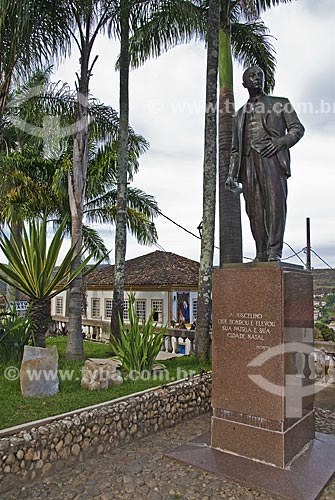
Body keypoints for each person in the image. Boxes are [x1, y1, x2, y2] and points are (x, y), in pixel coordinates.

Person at [225, 66, 304, 262]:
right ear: (244, 83)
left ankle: (274, 251)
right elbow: (235, 148)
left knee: (275, 205)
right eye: (251, 76)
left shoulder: (281, 103)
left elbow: (297, 128)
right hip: (247, 163)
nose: (256, 78)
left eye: (259, 75)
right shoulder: (239, 114)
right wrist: (231, 175)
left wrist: (280, 143)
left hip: (272, 158)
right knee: (254, 209)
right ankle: (261, 252)